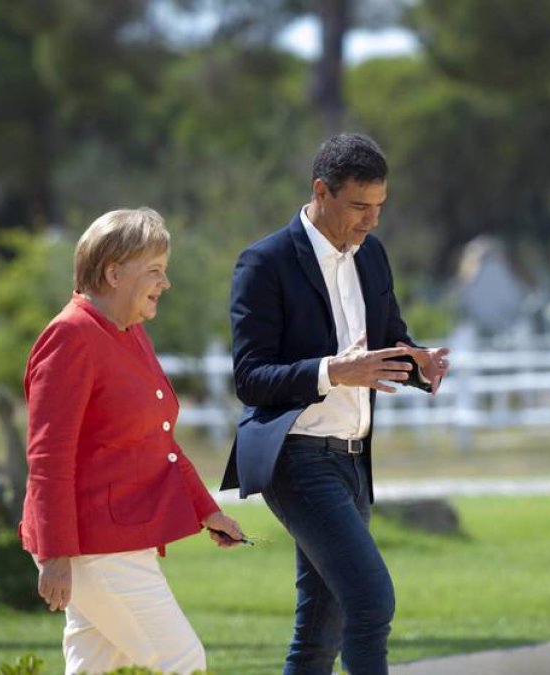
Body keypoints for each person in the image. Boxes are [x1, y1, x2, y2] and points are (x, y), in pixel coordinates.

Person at [220, 134, 450, 674]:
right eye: (359, 206)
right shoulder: (264, 263)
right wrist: (332, 370)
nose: (371, 221)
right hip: (296, 458)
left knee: (321, 630)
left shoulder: (372, 257)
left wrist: (419, 364)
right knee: (371, 601)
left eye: (379, 207)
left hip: (353, 460)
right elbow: (250, 378)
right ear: (321, 191)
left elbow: (390, 338)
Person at [18, 207, 245, 675]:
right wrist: (54, 555)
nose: (165, 284)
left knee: (93, 669)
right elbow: (48, 457)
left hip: (117, 541)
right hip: (96, 547)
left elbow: (159, 440)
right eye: (155, 271)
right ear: (114, 272)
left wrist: (208, 510)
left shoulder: (129, 332)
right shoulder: (70, 336)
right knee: (183, 660)